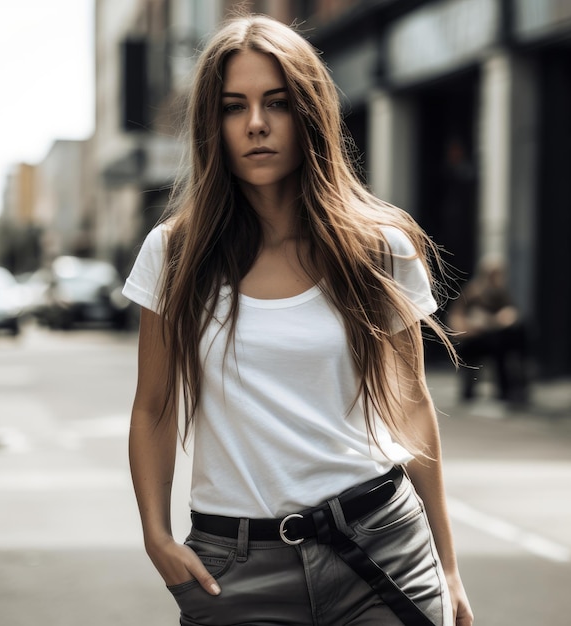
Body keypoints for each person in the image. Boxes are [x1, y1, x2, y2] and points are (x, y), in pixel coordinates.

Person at [123, 14, 473, 626]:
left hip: (380, 546)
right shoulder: (174, 254)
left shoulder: (379, 246)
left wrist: (447, 566)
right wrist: (155, 533)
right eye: (235, 107)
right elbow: (154, 406)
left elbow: (412, 404)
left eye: (276, 103)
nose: (256, 124)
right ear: (213, 124)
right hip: (237, 569)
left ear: (308, 113)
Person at [447, 255, 529, 403]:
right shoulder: (473, 292)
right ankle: (472, 389)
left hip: (494, 341)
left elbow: (510, 314)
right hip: (473, 341)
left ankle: (511, 389)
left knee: (508, 343)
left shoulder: (501, 293)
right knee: (491, 348)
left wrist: (504, 318)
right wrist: (471, 325)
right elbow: (456, 319)